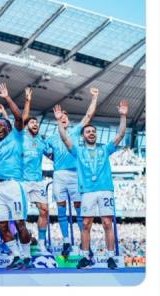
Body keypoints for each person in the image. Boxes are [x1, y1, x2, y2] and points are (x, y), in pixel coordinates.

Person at [54, 100, 128, 270]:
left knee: (107, 223)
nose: (91, 133)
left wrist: (123, 116)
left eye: (93, 131)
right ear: (83, 136)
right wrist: (58, 121)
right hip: (87, 191)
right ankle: (85, 256)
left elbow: (120, 134)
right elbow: (64, 138)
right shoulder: (78, 151)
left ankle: (111, 257)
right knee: (86, 223)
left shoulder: (105, 149)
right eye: (88, 131)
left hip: (105, 190)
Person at [46, 87, 99, 256]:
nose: (63, 119)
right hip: (59, 175)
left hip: (76, 175)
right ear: (57, 120)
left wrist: (94, 98)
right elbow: (44, 151)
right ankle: (66, 242)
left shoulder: (76, 132)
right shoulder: (51, 138)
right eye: (60, 117)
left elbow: (88, 116)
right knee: (61, 208)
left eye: (65, 117)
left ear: (68, 121)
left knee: (79, 209)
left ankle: (85, 243)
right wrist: (54, 158)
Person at [0, 83, 32, 270]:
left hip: (14, 185)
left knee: (20, 223)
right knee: (1, 225)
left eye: (1, 125)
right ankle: (16, 256)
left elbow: (19, 117)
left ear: (9, 127)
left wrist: (7, 97)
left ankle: (27, 257)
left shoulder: (16, 136)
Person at [21, 87, 51, 254]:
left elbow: (52, 155)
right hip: (22, 181)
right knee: (20, 214)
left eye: (37, 123)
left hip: (38, 181)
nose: (35, 124)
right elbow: (23, 118)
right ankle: (22, 243)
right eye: (32, 122)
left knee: (45, 210)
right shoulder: (21, 137)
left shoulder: (41, 140)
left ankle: (41, 244)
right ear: (26, 126)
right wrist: (28, 101)